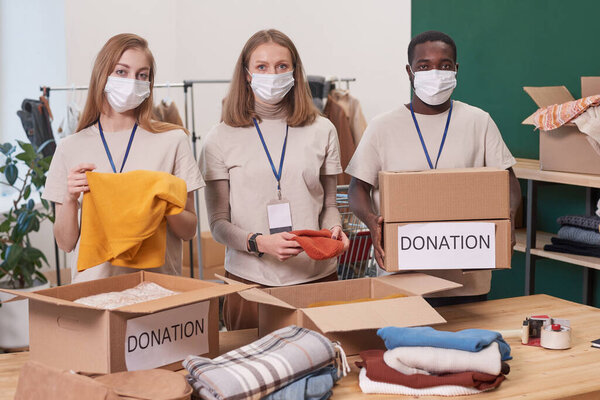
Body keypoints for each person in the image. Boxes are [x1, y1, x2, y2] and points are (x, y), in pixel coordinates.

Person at [346, 30, 521, 306]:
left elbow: (508, 180)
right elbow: (358, 188)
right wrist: (371, 222)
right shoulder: (383, 126)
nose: (435, 73)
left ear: (456, 69)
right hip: (403, 277)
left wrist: (508, 217)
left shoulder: (479, 121)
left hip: (467, 278)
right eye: (424, 66)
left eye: (445, 65)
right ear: (409, 72)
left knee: (468, 345)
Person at [200, 29, 350, 330]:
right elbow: (218, 224)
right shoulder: (219, 138)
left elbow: (330, 204)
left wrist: (334, 228)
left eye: (282, 66)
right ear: (246, 74)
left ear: (295, 72)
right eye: (262, 66)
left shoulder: (323, 130)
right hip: (249, 283)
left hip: (316, 278)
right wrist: (260, 243)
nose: (273, 73)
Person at [43, 33, 204, 283]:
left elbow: (188, 230)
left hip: (158, 290)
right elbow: (65, 243)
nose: (132, 81)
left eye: (142, 75)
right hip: (95, 292)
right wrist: (70, 198)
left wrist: (162, 199)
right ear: (102, 75)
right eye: (121, 72)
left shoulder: (173, 141)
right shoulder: (69, 147)